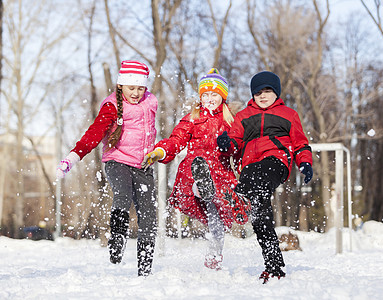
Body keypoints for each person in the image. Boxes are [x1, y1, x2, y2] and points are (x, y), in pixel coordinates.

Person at [56, 60, 158, 277]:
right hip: (117, 161)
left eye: (141, 88)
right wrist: (74, 157)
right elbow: (95, 133)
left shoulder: (151, 101)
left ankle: (145, 269)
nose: (136, 93)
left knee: (149, 215)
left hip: (143, 165)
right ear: (121, 86)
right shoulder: (112, 106)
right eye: (131, 88)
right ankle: (117, 238)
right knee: (123, 195)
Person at [142, 68, 249, 271]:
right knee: (199, 180)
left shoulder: (231, 120)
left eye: (214, 94)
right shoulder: (192, 117)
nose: (209, 98)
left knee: (216, 221)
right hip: (194, 169)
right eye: (205, 94)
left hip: (220, 173)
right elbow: (176, 140)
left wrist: (230, 147)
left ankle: (213, 259)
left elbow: (238, 146)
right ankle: (200, 187)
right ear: (200, 96)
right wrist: (160, 151)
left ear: (222, 97)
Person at [216, 71, 313, 283]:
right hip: (249, 163)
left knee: (260, 180)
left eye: (267, 91)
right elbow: (234, 140)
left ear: (276, 92)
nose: (262, 95)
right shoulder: (243, 116)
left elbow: (299, 143)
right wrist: (226, 144)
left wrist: (305, 162)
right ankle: (274, 265)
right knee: (260, 214)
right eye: (258, 92)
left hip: (276, 160)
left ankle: (241, 199)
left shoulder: (288, 114)